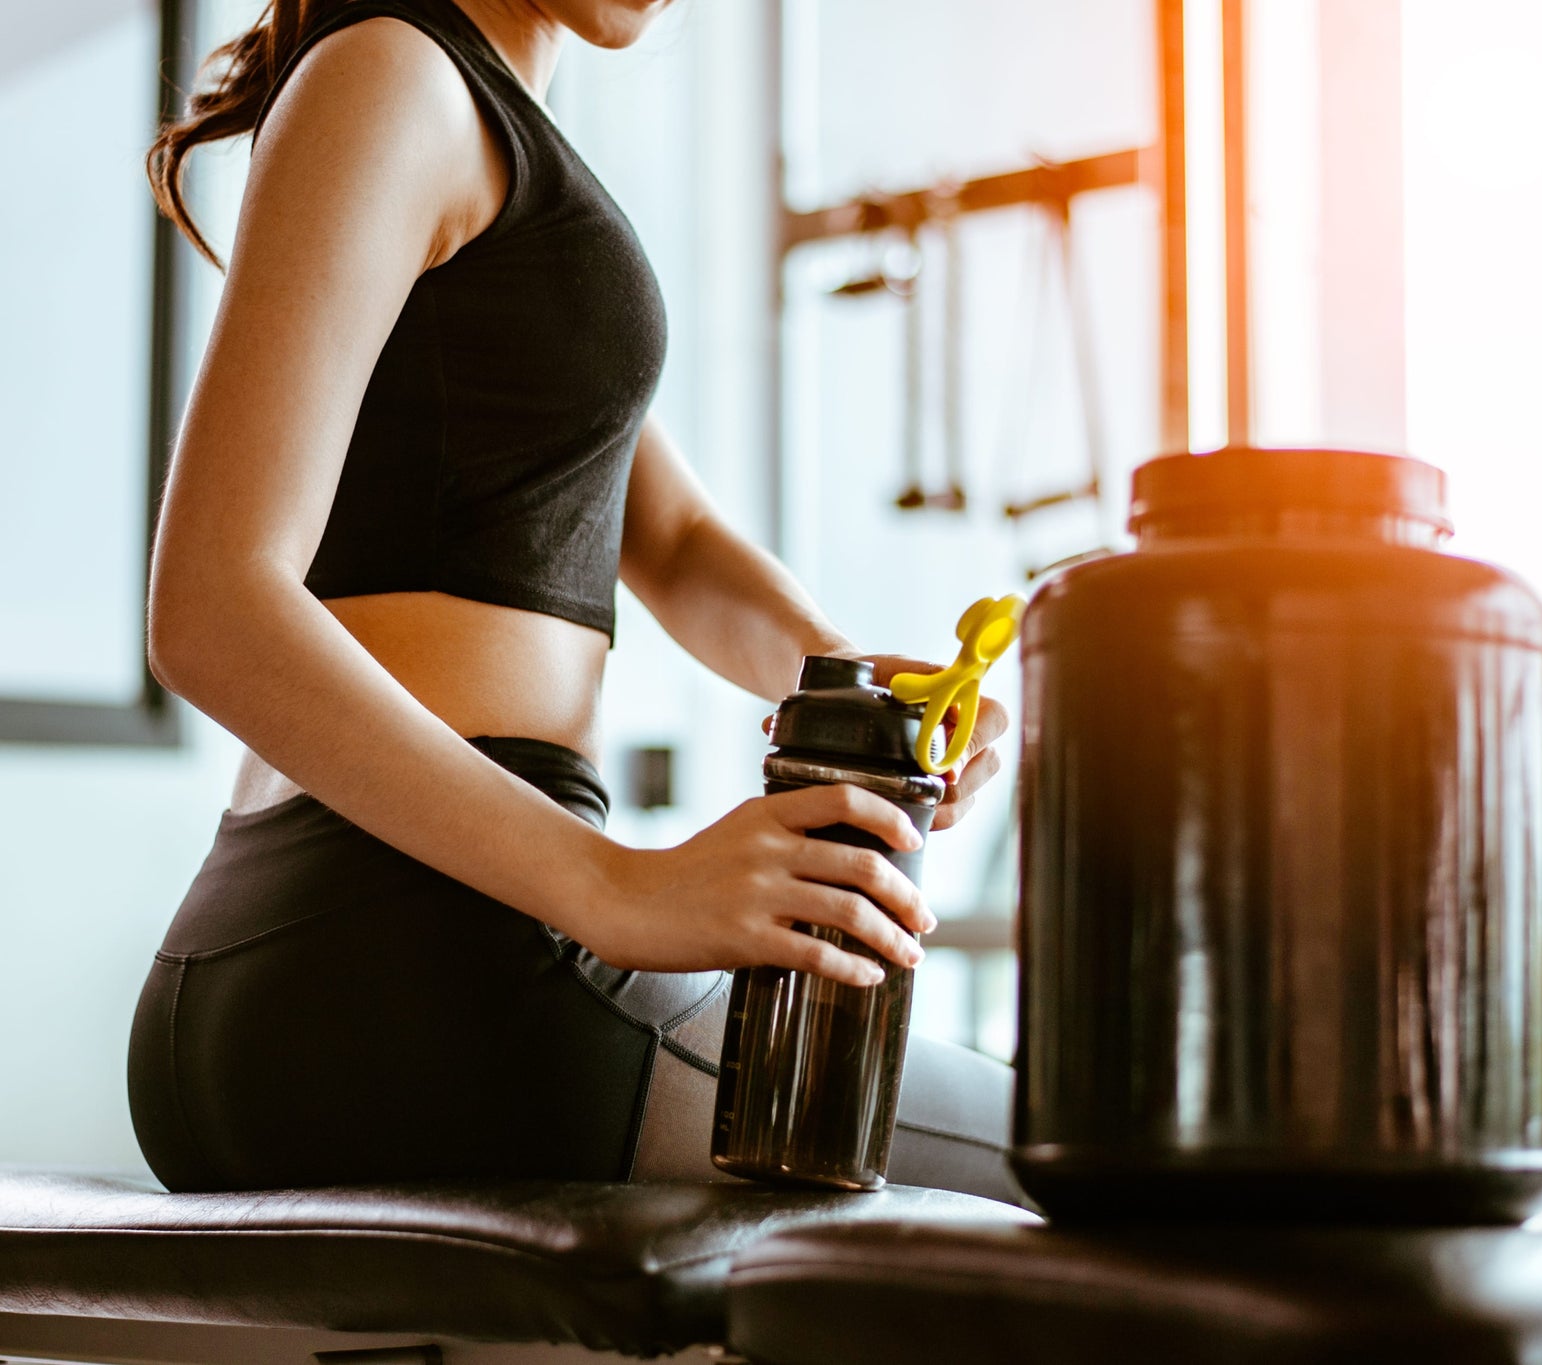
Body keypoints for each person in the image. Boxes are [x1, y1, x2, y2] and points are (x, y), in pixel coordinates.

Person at [126, 0, 1016, 1200]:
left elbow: (679, 540)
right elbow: (210, 610)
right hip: (419, 957)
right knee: (1094, 1166)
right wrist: (620, 889)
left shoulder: (493, 126)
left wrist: (858, 680)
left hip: (335, 960)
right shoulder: (397, 72)